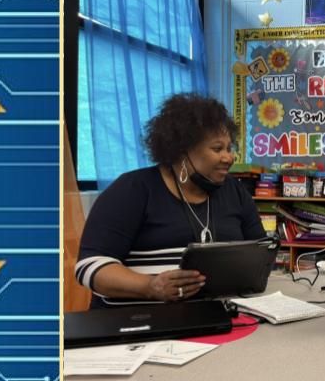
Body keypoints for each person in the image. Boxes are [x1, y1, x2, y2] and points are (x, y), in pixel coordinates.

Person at [75, 94, 264, 308]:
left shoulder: (234, 191)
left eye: (230, 149)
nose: (229, 158)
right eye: (217, 149)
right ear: (182, 151)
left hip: (217, 318)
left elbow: (260, 253)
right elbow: (90, 267)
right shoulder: (132, 190)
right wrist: (150, 287)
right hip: (137, 323)